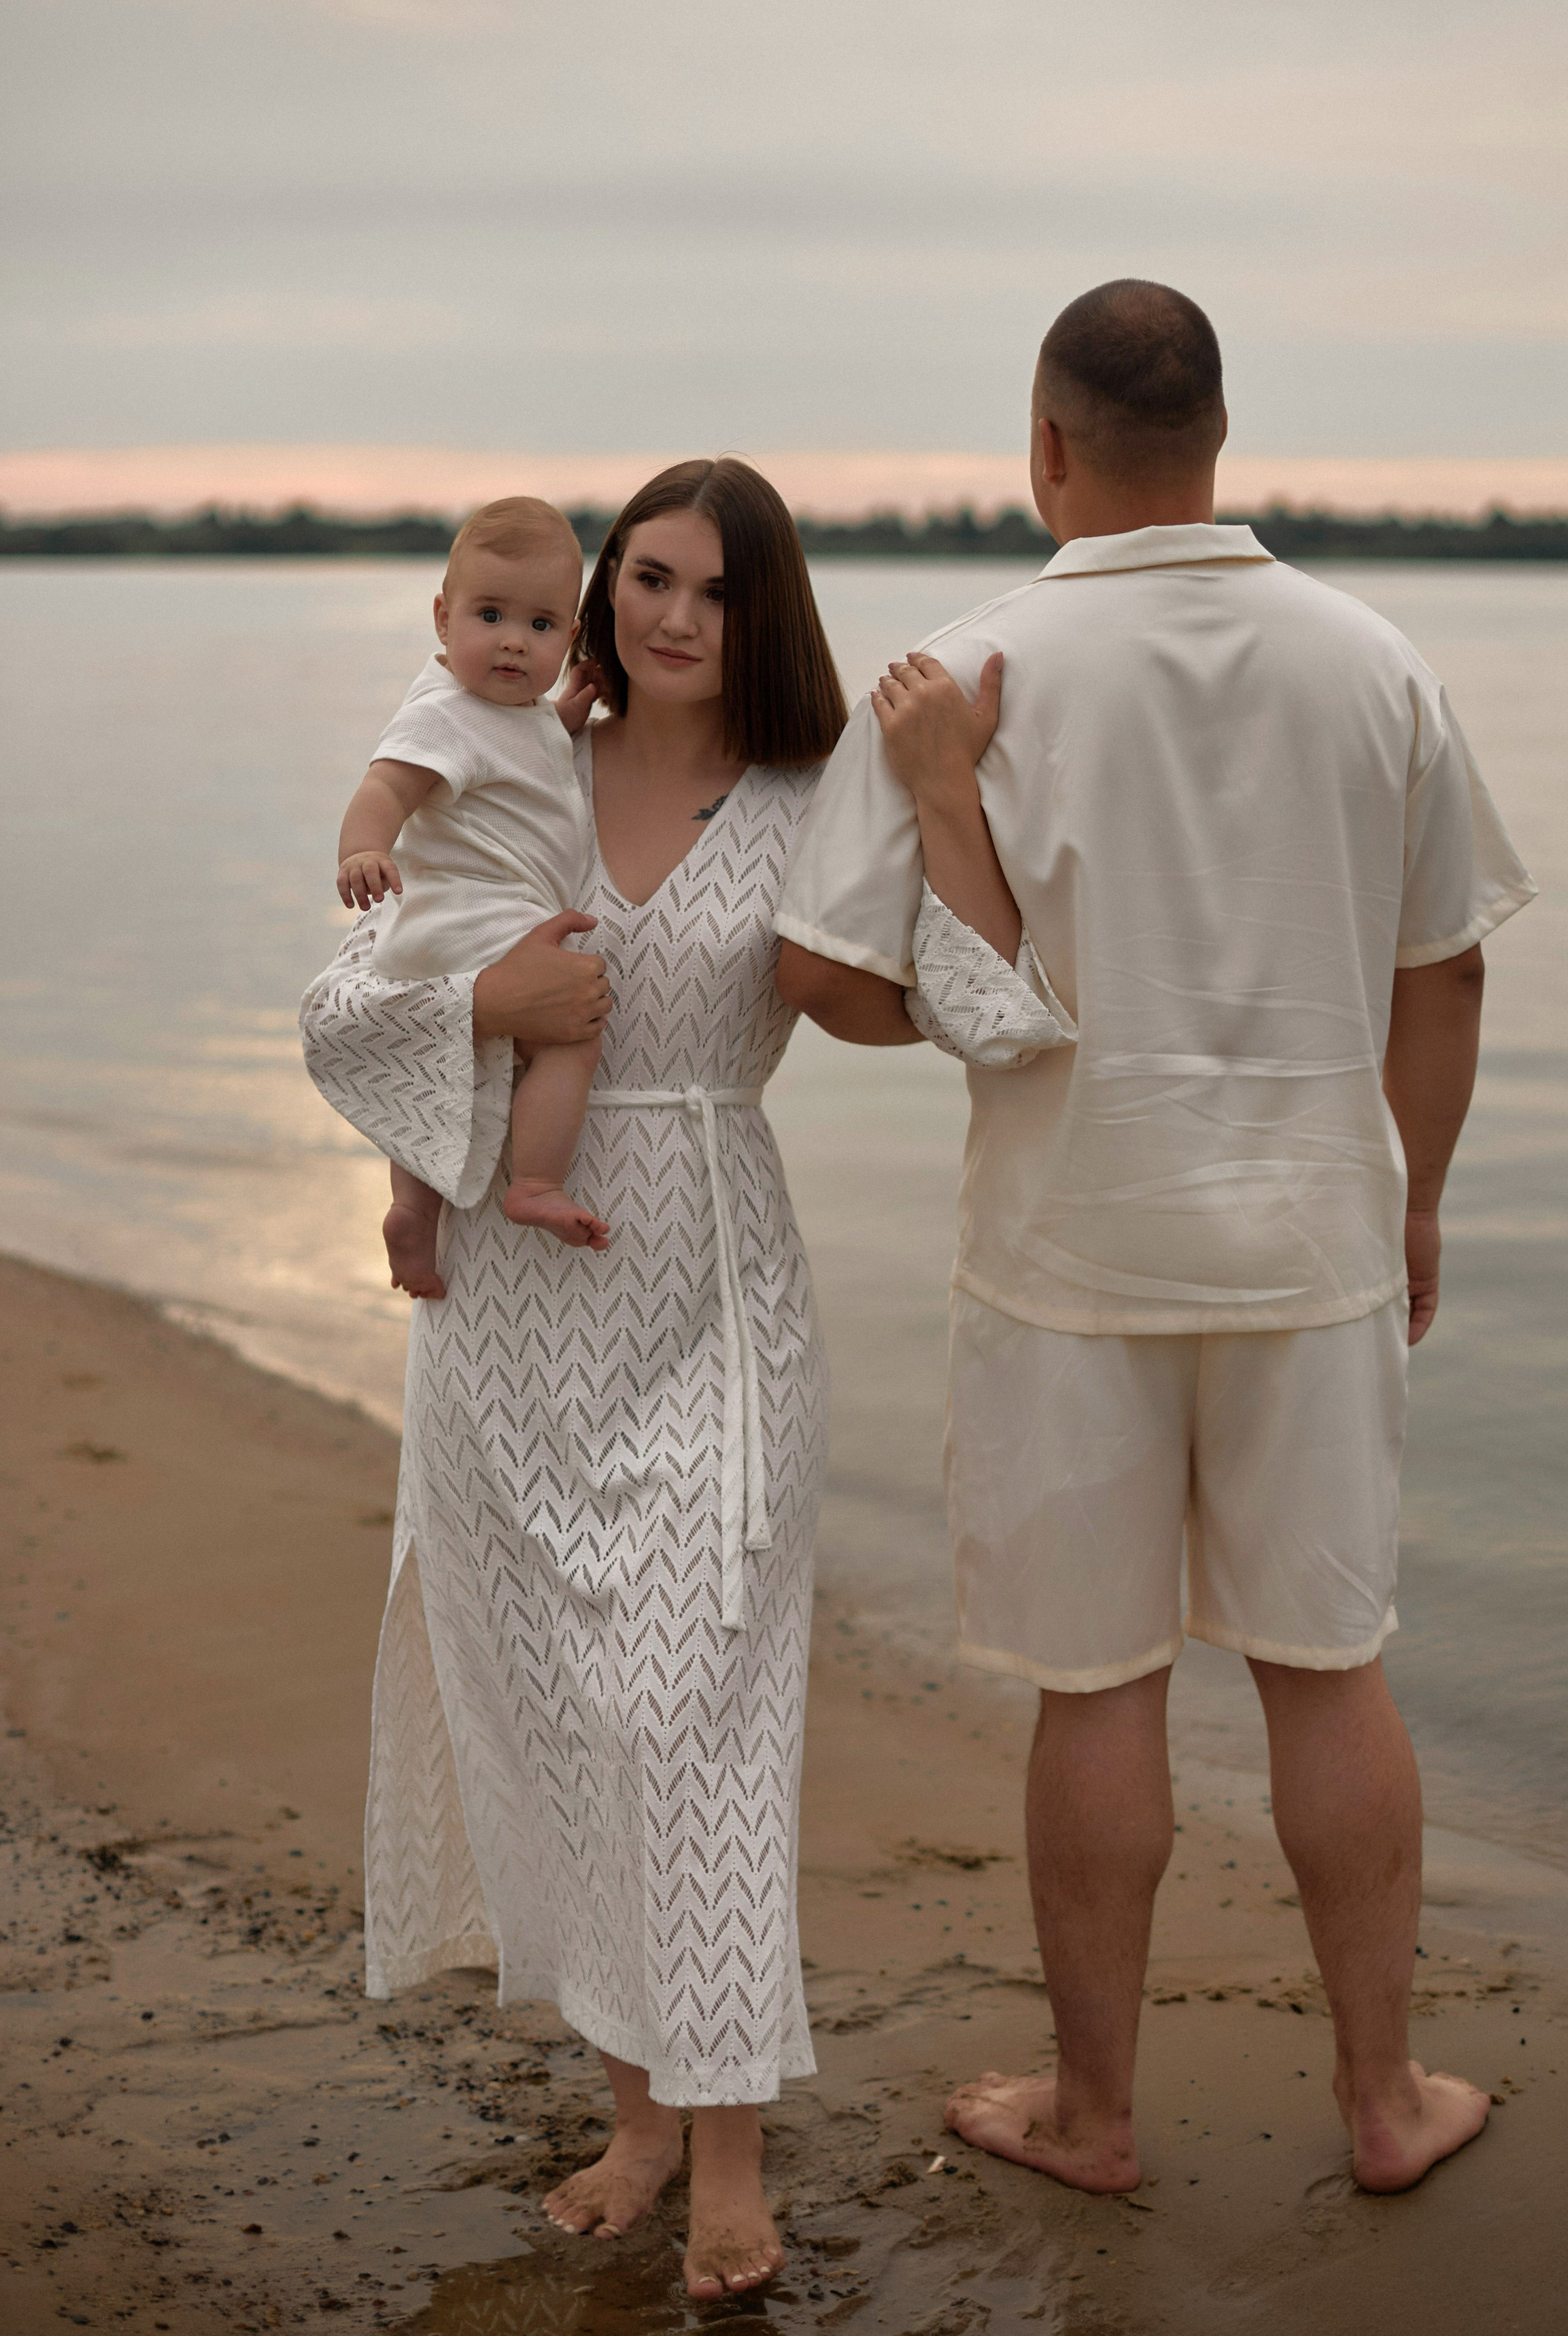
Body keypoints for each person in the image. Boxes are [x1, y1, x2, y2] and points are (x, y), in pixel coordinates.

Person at [775, 280, 1537, 2200]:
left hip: (1065, 1251)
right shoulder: (1376, 663)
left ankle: (1098, 2119)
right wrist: (1420, 1192)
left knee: (1097, 1689)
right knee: (1326, 1667)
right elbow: (1438, 971)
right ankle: (1384, 2103)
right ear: (1217, 435)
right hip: (1312, 1239)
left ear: (1046, 447)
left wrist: (980, 979)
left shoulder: (960, 671)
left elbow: (828, 981)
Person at [300, 455, 1044, 2301]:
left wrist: (947, 796)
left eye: (711, 588)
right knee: (550, 1704)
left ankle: (730, 2157)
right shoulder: (511, 748)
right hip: (508, 1287)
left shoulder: (813, 797)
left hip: (710, 1279)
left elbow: (970, 1003)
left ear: (764, 607)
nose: (670, 617)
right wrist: (489, 1009)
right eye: (645, 577)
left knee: (696, 1713)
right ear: (607, 585)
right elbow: (343, 998)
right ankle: (638, 2115)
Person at [335, 496, 608, 1300]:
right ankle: (534, 1181)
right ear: (441, 618)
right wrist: (363, 848)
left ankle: (411, 1208)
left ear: (569, 636)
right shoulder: (443, 713)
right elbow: (386, 784)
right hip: (476, 919)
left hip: (440, 940)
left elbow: (518, 750)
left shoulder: (506, 713)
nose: (515, 642)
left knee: (442, 1066)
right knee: (571, 1032)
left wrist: (566, 714)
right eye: (491, 615)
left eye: (544, 626)